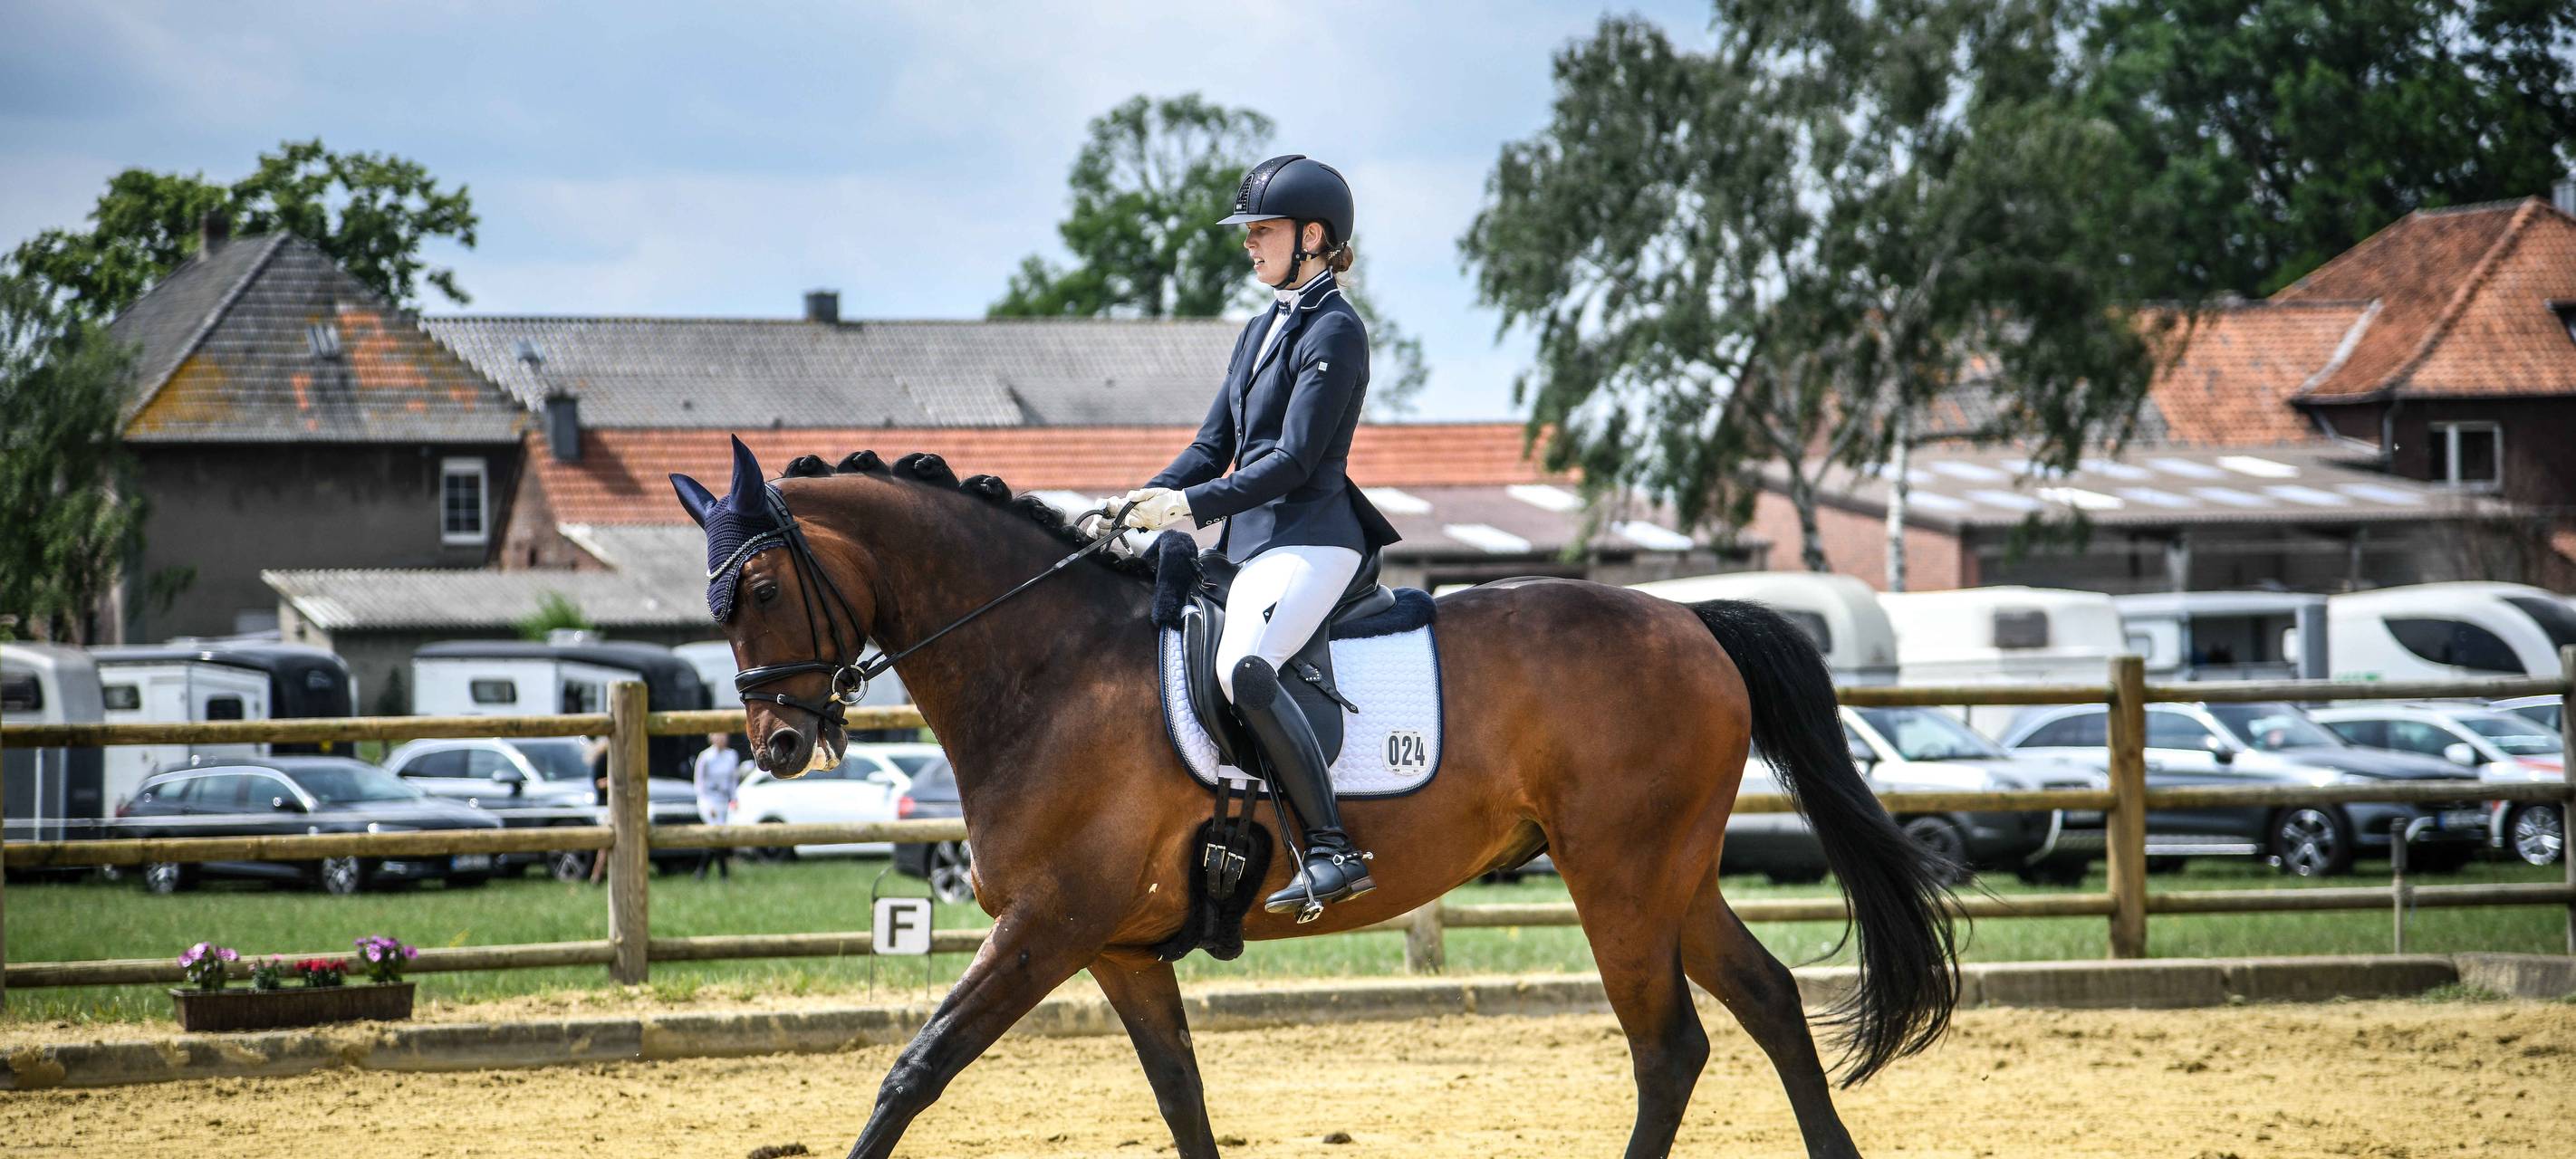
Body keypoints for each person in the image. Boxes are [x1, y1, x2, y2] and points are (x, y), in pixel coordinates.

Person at [1113, 154, 1402, 918]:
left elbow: (1292, 460)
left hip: (1313, 539)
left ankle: (1334, 850)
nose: (1249, 244)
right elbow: (1214, 446)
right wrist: (1144, 498)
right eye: (1250, 232)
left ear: (1313, 236)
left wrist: (1188, 509)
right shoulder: (1258, 329)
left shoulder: (1337, 331)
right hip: (1248, 545)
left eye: (1262, 230)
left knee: (1246, 666)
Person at [690, 732, 742, 880]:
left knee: (717, 836)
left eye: (723, 735)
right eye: (717, 735)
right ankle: (722, 873)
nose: (721, 738)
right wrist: (707, 804)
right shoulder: (705, 756)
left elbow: (733, 780)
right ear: (711, 737)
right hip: (708, 799)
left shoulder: (732, 756)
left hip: (722, 800)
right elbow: (699, 783)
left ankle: (701, 872)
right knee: (716, 833)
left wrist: (734, 798)